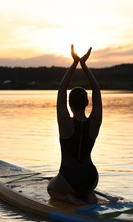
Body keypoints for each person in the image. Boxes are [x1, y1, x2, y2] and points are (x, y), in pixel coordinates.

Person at [47, 45, 102, 205]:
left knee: (51, 189)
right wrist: (83, 64)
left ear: (69, 104)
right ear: (87, 103)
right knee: (87, 190)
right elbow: (96, 90)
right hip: (90, 178)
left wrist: (74, 63)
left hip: (69, 178)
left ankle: (69, 198)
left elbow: (61, 90)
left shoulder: (65, 123)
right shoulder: (95, 122)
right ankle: (90, 197)